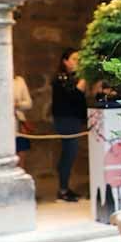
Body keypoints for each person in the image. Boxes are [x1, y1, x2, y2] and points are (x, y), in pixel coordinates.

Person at [51, 48, 86, 202]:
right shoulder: (60, 78)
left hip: (74, 119)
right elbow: (72, 97)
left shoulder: (73, 77)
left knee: (70, 155)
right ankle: (63, 190)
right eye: (74, 59)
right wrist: (83, 82)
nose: (77, 62)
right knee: (68, 154)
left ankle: (65, 188)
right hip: (65, 120)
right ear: (65, 61)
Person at [13, 74, 33, 170]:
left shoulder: (19, 81)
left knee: (21, 155)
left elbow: (28, 103)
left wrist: (17, 104)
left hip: (18, 123)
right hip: (2, 126)